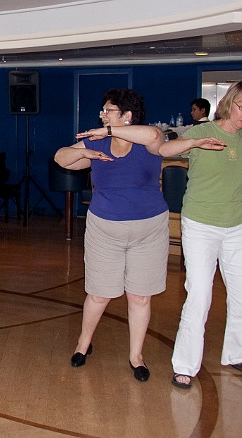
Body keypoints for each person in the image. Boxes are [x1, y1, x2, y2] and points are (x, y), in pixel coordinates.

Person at [55, 88, 170, 382]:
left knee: (140, 296)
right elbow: (60, 158)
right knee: (98, 294)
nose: (101, 115)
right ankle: (83, 344)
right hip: (105, 229)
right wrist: (85, 151)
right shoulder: (99, 141)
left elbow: (156, 136)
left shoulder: (149, 141)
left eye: (108, 110)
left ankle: (136, 356)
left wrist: (107, 130)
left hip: (149, 229)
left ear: (127, 116)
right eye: (102, 111)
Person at [164, 81, 241, 389]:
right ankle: (184, 364)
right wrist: (193, 144)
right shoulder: (201, 131)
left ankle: (236, 352)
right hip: (200, 225)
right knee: (199, 295)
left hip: (236, 226)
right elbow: (163, 149)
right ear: (229, 102)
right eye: (241, 107)